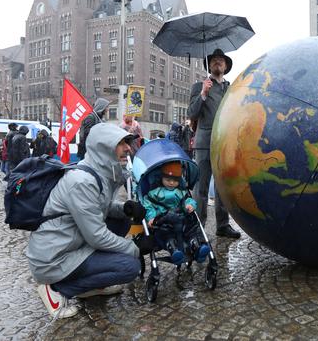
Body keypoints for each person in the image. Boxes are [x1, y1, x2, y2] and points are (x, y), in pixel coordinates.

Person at [26, 123, 153, 319]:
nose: (128, 148)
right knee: (130, 266)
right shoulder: (81, 181)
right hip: (54, 258)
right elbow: (96, 236)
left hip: (72, 243)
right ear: (103, 146)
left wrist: (125, 208)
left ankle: (93, 284)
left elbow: (99, 207)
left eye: (128, 142)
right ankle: (58, 289)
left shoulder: (97, 172)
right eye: (121, 143)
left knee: (122, 221)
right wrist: (134, 246)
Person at [188, 48, 240, 238]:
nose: (218, 63)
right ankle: (199, 228)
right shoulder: (199, 86)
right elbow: (192, 114)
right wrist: (203, 93)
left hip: (223, 143)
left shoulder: (232, 88)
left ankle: (223, 225)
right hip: (203, 143)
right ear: (209, 65)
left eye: (221, 61)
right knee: (201, 188)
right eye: (214, 60)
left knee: (221, 187)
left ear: (226, 66)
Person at [142, 161, 210, 265]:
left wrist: (190, 205)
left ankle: (196, 246)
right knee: (166, 235)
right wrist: (151, 217)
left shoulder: (181, 191)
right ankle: (174, 250)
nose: (171, 183)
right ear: (161, 178)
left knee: (191, 230)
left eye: (175, 181)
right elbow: (148, 207)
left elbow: (187, 200)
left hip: (181, 220)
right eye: (168, 180)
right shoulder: (154, 193)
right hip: (164, 223)